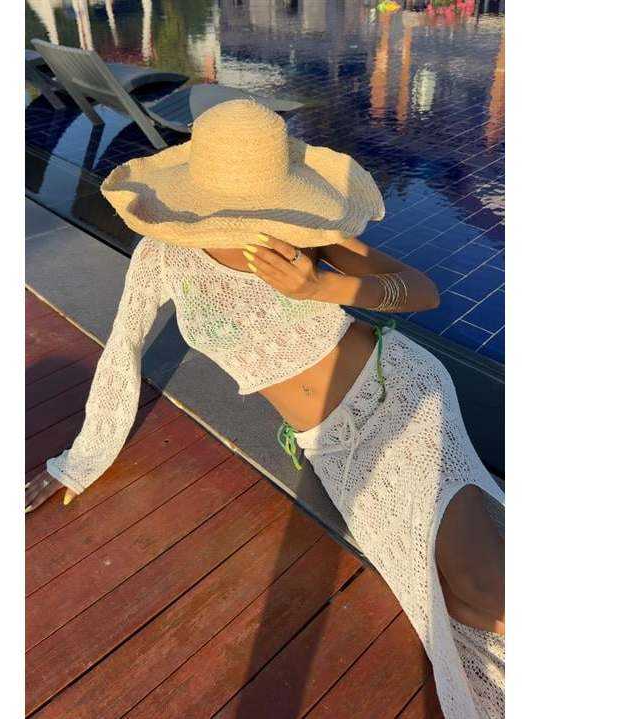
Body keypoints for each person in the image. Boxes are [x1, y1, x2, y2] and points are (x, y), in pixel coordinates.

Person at [25, 100, 504, 718]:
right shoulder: (164, 256)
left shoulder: (298, 229)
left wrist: (324, 285)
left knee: (478, 591)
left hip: (403, 397)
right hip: (331, 444)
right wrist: (79, 462)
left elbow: (423, 291)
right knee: (443, 591)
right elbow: (123, 353)